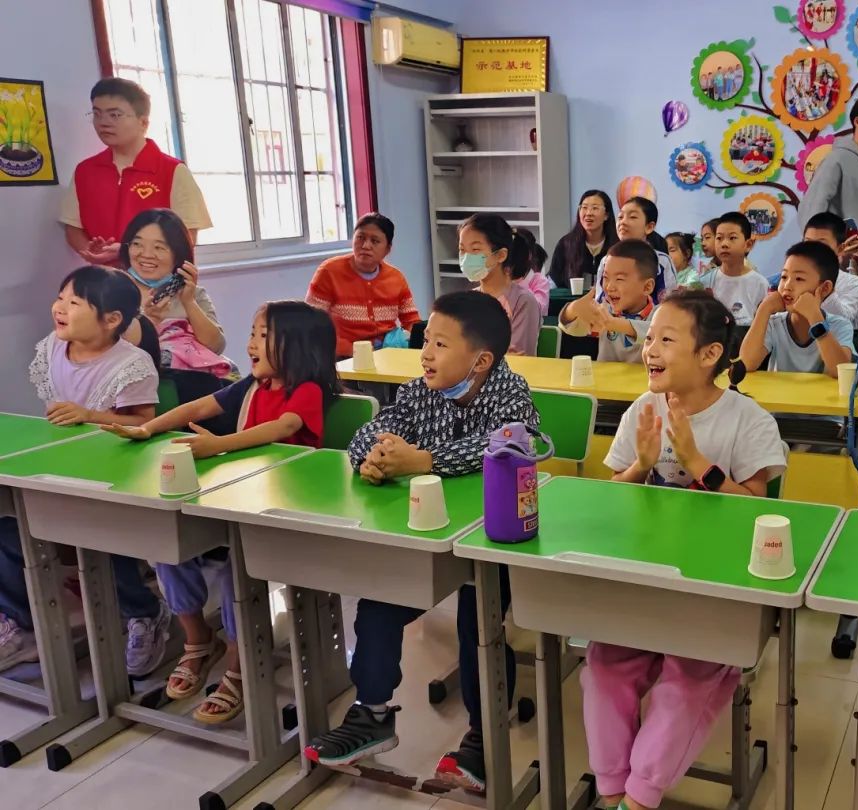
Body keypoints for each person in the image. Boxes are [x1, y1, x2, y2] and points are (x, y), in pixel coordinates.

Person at [303, 291, 538, 792]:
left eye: (440, 344)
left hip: (492, 540)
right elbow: (369, 434)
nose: (426, 353)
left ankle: (484, 734)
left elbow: (507, 445)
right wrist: (376, 460)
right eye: (426, 341)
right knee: (378, 602)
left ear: (481, 360)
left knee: (479, 620)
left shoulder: (509, 392)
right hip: (427, 535)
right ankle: (372, 714)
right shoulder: (416, 392)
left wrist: (423, 460)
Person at [585, 290, 786, 810]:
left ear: (709, 354)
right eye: (649, 338)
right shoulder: (642, 409)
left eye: (666, 340)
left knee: (687, 677)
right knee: (605, 665)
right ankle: (612, 790)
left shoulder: (749, 420)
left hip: (715, 585)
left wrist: (698, 463)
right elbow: (613, 499)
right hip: (646, 577)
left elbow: (756, 513)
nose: (649, 349)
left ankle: (639, 798)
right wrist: (640, 465)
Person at [104, 300, 335, 724]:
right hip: (238, 502)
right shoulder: (251, 386)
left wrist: (219, 445)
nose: (251, 343)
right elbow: (197, 408)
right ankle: (197, 639)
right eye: (252, 333)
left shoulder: (307, 390)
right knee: (167, 547)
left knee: (236, 570)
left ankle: (239, 658)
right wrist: (147, 427)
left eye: (264, 335)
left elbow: (282, 427)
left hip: (283, 515)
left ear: (299, 345)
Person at [0, 266, 169, 677]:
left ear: (111, 319)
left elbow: (144, 423)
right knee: (7, 529)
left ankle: (144, 612)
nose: (59, 308)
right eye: (61, 298)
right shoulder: (52, 348)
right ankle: (21, 623)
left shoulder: (132, 364)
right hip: (59, 467)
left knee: (104, 541)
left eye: (74, 302)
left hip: (114, 475)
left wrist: (91, 416)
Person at [60, 78, 211, 266]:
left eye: (115, 115)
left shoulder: (173, 170)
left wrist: (127, 250)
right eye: (97, 114)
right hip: (106, 279)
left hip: (158, 280)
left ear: (143, 122)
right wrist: (91, 251)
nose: (103, 123)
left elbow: (187, 237)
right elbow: (73, 228)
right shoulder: (85, 171)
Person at [119, 209, 229, 376]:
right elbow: (105, 351)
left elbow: (216, 347)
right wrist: (148, 322)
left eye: (159, 247)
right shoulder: (113, 289)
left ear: (178, 254)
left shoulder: (193, 294)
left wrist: (189, 302)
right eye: (137, 244)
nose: (146, 255)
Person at [306, 213, 421, 358]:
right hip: (343, 355)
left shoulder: (396, 278)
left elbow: (411, 321)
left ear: (387, 249)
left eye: (375, 241)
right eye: (360, 238)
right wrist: (351, 350)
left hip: (387, 353)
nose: (366, 246)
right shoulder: (329, 272)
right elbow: (311, 323)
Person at [741, 241, 855, 378]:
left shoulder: (840, 326)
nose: (787, 286)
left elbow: (839, 372)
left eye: (799, 279)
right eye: (784, 277)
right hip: (780, 392)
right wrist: (764, 309)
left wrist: (814, 317)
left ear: (825, 289)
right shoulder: (773, 323)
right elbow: (746, 364)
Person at [558, 239, 657, 363]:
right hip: (604, 376)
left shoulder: (660, 314)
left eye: (619, 279)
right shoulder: (605, 310)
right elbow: (573, 329)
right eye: (605, 277)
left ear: (647, 287)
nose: (609, 287)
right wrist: (572, 310)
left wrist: (614, 323)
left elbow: (655, 332)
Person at [799, 96, 858, 228]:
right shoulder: (836, 159)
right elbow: (813, 206)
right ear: (857, 121)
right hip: (845, 240)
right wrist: (817, 238)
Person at [458, 213, 542, 356]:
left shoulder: (522, 301)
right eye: (462, 250)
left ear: (501, 255)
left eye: (475, 250)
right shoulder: (467, 301)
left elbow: (517, 357)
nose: (466, 258)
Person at [594, 197, 677, 305]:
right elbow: (600, 301)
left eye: (632, 217)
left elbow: (669, 304)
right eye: (620, 217)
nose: (623, 222)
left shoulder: (662, 261)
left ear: (649, 227)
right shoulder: (606, 261)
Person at [700, 212, 768, 327]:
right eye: (719, 238)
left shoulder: (760, 283)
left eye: (732, 238)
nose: (724, 244)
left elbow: (763, 325)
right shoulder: (705, 281)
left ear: (748, 245)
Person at [802, 212, 858, 326]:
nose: (812, 250)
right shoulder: (788, 279)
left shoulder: (853, 284)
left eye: (822, 245)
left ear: (840, 248)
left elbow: (845, 320)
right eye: (808, 243)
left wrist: (825, 287)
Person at [548, 190, 618, 289]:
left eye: (595, 208)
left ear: (606, 215)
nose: (588, 213)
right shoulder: (566, 244)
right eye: (584, 207)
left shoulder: (617, 246)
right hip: (572, 299)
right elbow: (554, 281)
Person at [515, 229, 552, 314]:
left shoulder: (540, 281)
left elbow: (539, 310)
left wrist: (519, 281)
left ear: (529, 255)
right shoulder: (503, 278)